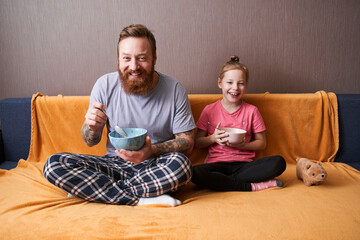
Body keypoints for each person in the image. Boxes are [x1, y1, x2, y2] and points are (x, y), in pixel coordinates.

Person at [43, 24, 196, 206]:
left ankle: (95, 191)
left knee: (182, 166)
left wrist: (152, 151)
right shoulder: (104, 85)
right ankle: (141, 199)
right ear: (118, 59)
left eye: (142, 58)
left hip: (155, 166)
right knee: (54, 164)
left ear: (154, 58)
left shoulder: (174, 89)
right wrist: (91, 127)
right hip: (113, 165)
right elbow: (89, 141)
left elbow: (187, 143)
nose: (134, 66)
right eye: (126, 58)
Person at [191, 55, 286, 192]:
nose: (235, 88)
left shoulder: (252, 111)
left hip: (244, 166)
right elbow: (198, 142)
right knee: (194, 172)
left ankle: (223, 183)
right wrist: (213, 138)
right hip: (217, 164)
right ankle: (251, 186)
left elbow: (262, 143)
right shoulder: (209, 110)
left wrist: (244, 145)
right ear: (220, 83)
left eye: (241, 83)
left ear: (246, 86)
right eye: (229, 82)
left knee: (279, 162)